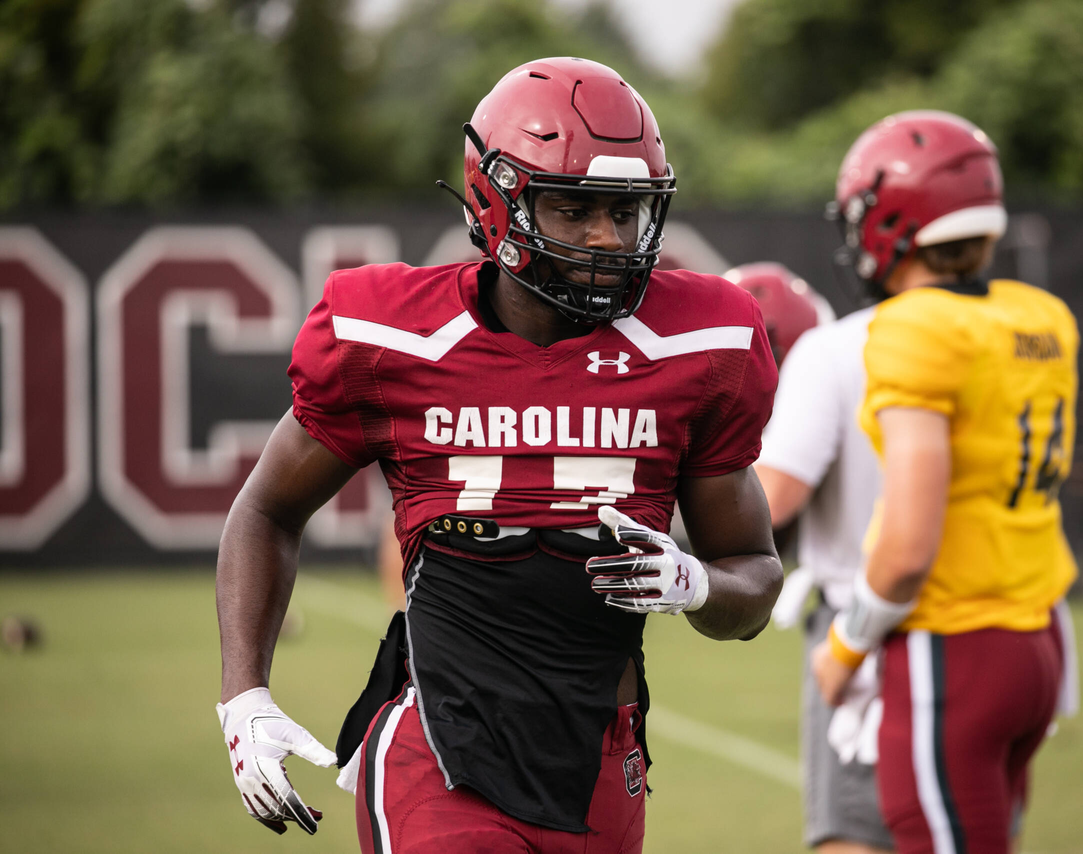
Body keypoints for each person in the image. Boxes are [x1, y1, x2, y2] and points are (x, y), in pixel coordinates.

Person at [214, 57, 783, 854]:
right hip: (442, 752)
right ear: (496, 200)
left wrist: (694, 583)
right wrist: (245, 695)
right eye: (574, 209)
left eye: (626, 212)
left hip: (604, 760)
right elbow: (267, 508)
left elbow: (754, 578)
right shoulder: (391, 337)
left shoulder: (700, 345)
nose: (606, 238)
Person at [810, 111, 1079, 854]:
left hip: (955, 647)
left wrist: (843, 647)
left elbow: (906, 547)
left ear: (893, 219)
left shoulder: (913, 328)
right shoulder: (1042, 316)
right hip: (1040, 640)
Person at [751, 262, 894, 854]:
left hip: (872, 625)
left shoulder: (829, 355)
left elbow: (773, 498)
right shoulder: (996, 329)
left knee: (851, 834)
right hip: (991, 625)